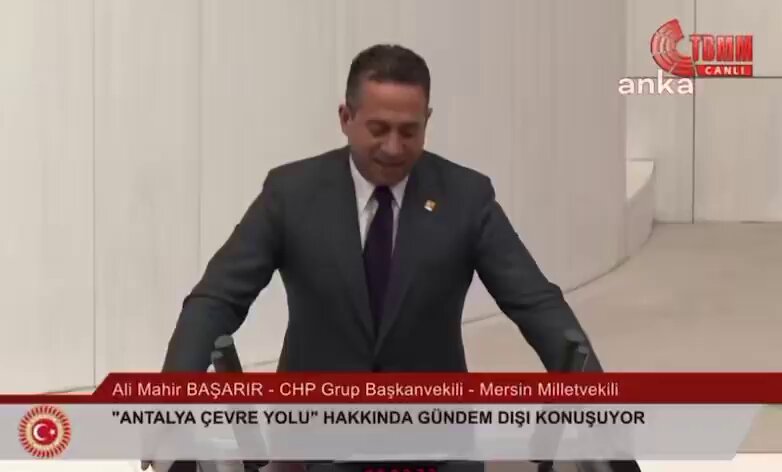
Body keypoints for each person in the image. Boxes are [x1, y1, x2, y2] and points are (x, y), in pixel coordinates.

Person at [159, 44, 640, 472]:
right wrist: (170, 408)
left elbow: (535, 303)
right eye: (379, 129)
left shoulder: (467, 197)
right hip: (311, 439)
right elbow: (216, 300)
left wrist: (600, 415)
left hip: (435, 439)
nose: (393, 148)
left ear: (428, 119)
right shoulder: (291, 193)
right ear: (345, 117)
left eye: (410, 131)